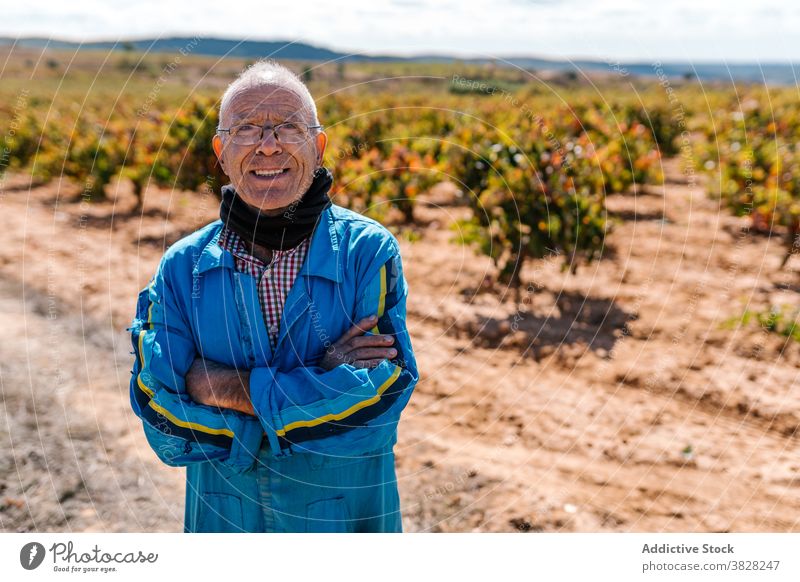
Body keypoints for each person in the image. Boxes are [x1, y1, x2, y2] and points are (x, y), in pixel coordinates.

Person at [128, 60, 418, 533]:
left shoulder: (368, 251)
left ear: (318, 146)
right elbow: (158, 407)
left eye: (288, 127)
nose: (268, 145)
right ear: (221, 152)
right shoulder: (181, 267)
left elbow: (376, 405)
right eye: (246, 129)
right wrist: (318, 383)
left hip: (340, 521)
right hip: (225, 520)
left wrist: (214, 386)